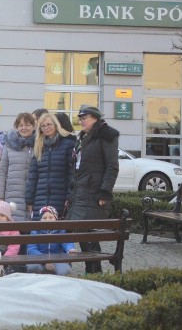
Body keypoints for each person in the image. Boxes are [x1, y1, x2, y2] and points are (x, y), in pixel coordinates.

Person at [67, 105, 119, 274]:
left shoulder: (106, 135)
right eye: (80, 118)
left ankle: (94, 271)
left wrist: (105, 191)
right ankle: (93, 270)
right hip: (80, 192)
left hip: (94, 192)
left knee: (89, 234)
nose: (81, 121)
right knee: (83, 233)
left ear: (95, 118)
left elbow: (112, 166)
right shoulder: (83, 136)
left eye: (85, 118)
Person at [26, 113, 75, 218]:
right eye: (43, 126)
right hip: (40, 197)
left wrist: (70, 196)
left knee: (58, 231)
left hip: (60, 196)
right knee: (39, 230)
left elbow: (71, 173)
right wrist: (29, 199)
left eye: (49, 124)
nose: (46, 128)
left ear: (56, 125)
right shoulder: (38, 146)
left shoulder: (68, 144)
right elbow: (33, 175)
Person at [0, 112, 36, 221]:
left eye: (27, 125)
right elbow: (2, 171)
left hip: (33, 195)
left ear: (34, 126)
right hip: (12, 194)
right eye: (20, 125)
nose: (24, 128)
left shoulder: (39, 144)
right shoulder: (9, 145)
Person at [26, 205, 78, 275]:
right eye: (44, 218)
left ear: (56, 219)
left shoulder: (60, 230)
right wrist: (45, 260)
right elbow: (32, 249)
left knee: (65, 270)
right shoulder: (35, 231)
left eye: (51, 217)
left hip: (58, 259)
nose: (47, 220)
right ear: (40, 220)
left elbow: (66, 242)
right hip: (38, 259)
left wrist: (70, 249)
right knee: (32, 267)